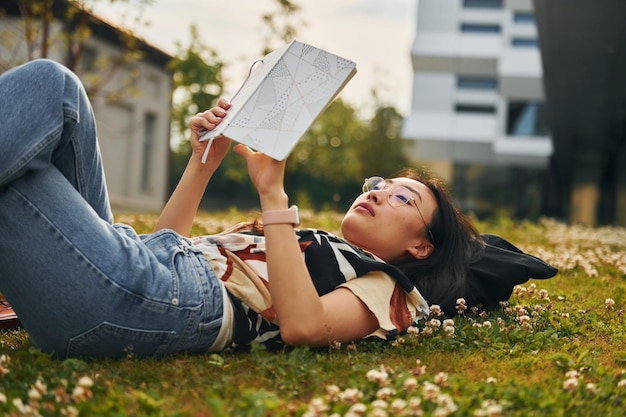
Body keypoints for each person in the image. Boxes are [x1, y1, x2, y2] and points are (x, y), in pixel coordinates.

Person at [0, 59, 555, 359]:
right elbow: (160, 250)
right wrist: (204, 161)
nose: (380, 191)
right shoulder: (313, 244)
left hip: (132, 306)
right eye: (381, 182)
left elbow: (305, 327)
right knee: (62, 91)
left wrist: (274, 198)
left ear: (421, 246)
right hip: (136, 276)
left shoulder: (390, 289)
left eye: (402, 197)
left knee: (38, 121)